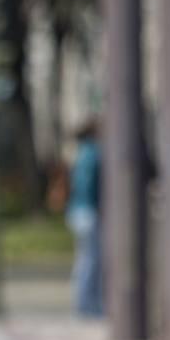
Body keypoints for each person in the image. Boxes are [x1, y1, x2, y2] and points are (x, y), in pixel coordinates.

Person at [67, 117, 103, 318]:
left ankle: (83, 303)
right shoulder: (93, 154)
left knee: (83, 259)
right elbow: (90, 186)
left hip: (76, 211)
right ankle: (88, 305)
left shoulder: (81, 154)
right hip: (89, 212)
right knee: (91, 260)